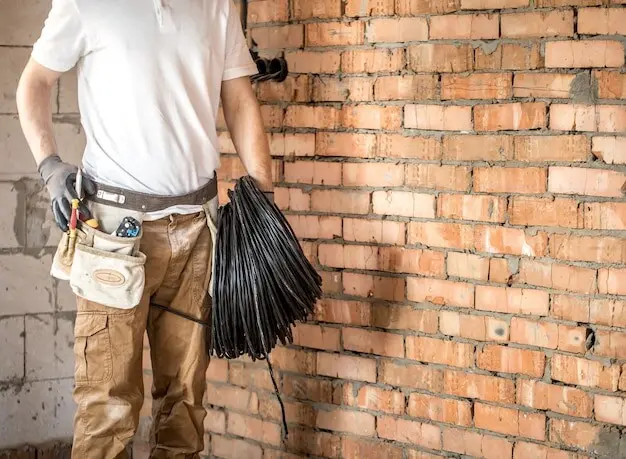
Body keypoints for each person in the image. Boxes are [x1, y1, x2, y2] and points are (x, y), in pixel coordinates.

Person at [16, 0, 273, 457]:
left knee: (185, 406)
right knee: (107, 408)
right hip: (113, 236)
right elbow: (34, 81)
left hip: (197, 230)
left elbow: (238, 98)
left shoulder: (215, 5)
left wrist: (264, 195)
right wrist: (49, 165)